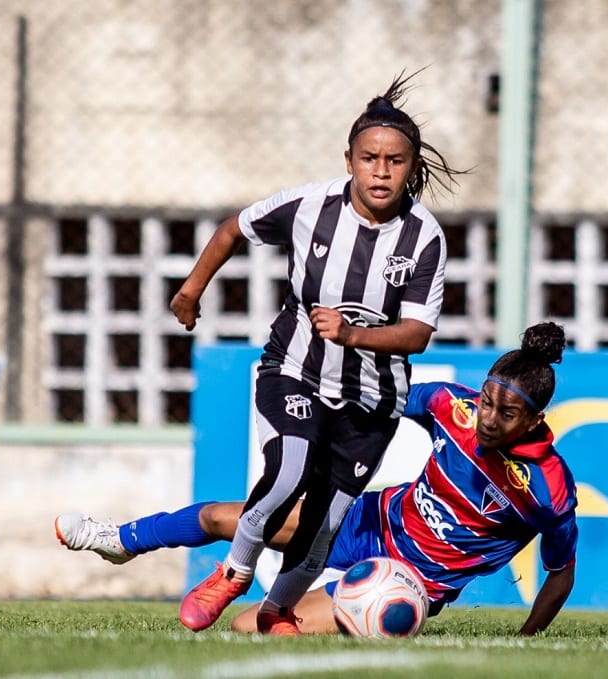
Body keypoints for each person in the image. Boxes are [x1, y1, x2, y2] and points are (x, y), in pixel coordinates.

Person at [162, 69, 464, 636]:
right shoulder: (309, 207)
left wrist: (352, 336)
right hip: (295, 369)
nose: (381, 170)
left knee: (325, 525)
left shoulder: (424, 237)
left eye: (395, 161)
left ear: (411, 166)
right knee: (289, 469)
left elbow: (418, 333)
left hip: (373, 398)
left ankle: (276, 611)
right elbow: (233, 229)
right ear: (349, 160)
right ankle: (233, 572)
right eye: (369, 157)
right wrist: (190, 289)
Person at [56, 322, 578, 636]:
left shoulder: (547, 489)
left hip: (409, 581)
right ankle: (119, 541)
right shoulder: (453, 405)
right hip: (366, 520)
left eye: (506, 414)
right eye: (487, 402)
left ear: (534, 421)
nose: (488, 418)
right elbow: (384, 399)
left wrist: (526, 636)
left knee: (252, 628)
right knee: (222, 516)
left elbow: (560, 572)